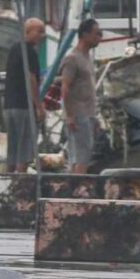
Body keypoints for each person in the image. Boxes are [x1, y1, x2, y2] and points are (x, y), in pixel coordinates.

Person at [53, 18, 104, 172]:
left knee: (81, 155)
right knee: (81, 155)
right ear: (84, 34)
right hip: (77, 113)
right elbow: (65, 88)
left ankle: (74, 187)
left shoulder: (87, 58)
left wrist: (94, 117)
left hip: (87, 113)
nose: (100, 37)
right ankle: (78, 190)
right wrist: (69, 115)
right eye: (97, 34)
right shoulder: (72, 59)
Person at [0, 16, 47, 173]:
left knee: (12, 148)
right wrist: (39, 105)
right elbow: (31, 79)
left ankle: (8, 179)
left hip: (9, 106)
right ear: (28, 31)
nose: (43, 35)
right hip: (24, 106)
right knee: (25, 149)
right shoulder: (30, 52)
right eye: (39, 31)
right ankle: (21, 182)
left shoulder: (14, 48)